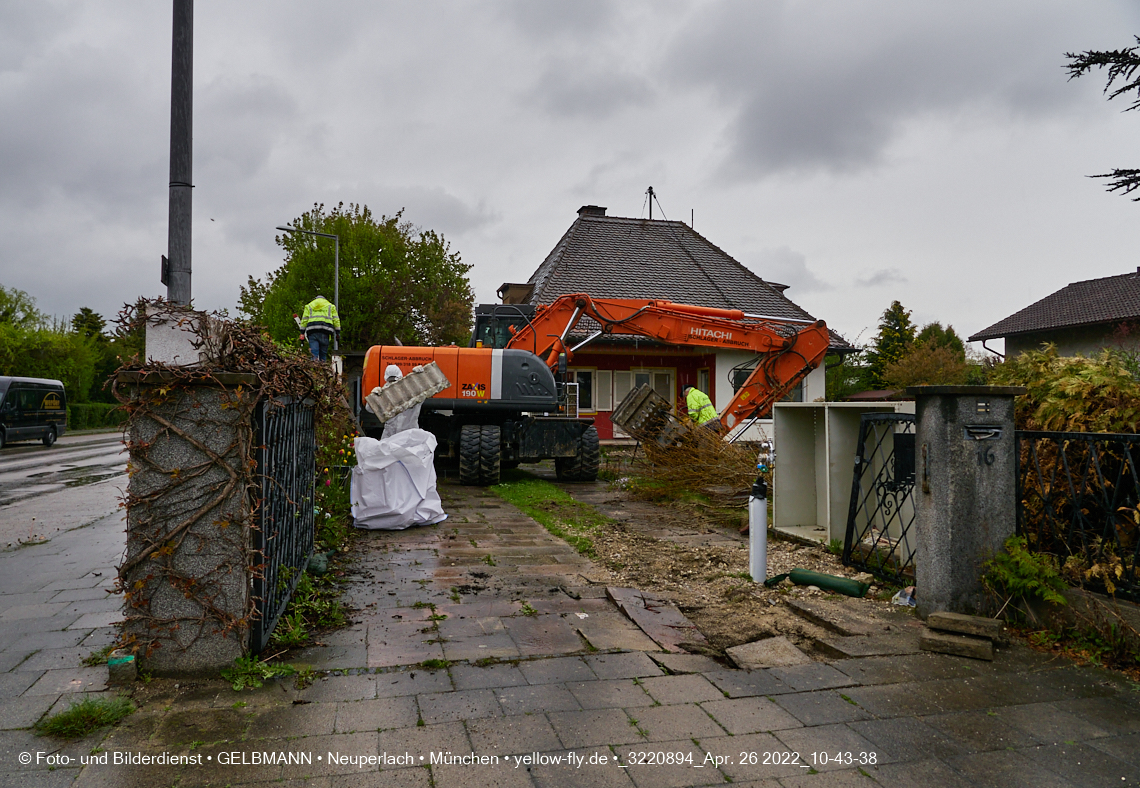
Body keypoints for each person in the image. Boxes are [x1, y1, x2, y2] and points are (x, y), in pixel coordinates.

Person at [380, 365, 423, 439]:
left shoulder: (411, 391)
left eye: (395, 381)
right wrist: (376, 395)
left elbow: (424, 390)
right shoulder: (385, 394)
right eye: (391, 381)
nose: (393, 384)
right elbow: (370, 409)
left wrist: (419, 377)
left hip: (409, 436)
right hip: (390, 436)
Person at [300, 294, 341, 361]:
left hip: (312, 332)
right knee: (323, 355)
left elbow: (304, 320)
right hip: (325, 331)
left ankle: (314, 369)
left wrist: (302, 333)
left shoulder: (309, 306)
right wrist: (338, 332)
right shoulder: (330, 306)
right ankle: (322, 368)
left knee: (314, 353)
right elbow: (336, 320)